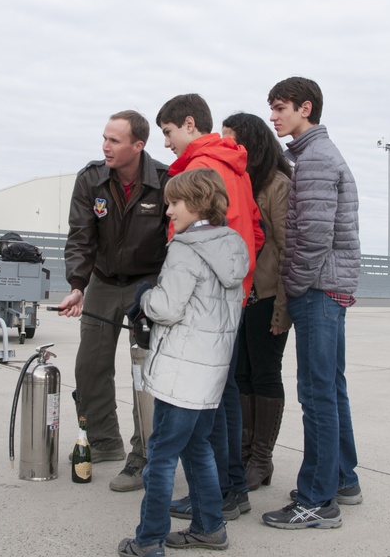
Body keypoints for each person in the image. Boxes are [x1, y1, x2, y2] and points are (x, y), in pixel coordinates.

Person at [118, 168, 248, 557]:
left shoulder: (185, 248)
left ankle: (149, 539)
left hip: (181, 373)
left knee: (159, 456)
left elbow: (167, 308)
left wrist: (144, 297)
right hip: (209, 375)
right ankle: (209, 527)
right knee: (198, 448)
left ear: (197, 202)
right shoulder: (232, 245)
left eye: (174, 203)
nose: (168, 211)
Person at [156, 93, 264, 520]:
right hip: (229, 298)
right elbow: (253, 230)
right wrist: (237, 282)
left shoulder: (201, 168)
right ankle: (230, 488)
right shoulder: (235, 166)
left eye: (167, 133)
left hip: (201, 304)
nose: (165, 143)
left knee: (208, 402)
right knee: (225, 393)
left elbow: (188, 242)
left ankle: (219, 493)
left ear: (188, 123)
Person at [261, 76, 362, 530]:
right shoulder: (313, 156)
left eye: (280, 107)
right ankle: (342, 478)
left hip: (318, 289)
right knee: (331, 389)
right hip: (327, 288)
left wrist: (295, 285)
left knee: (317, 394)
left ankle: (318, 499)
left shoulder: (317, 159)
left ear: (306, 109)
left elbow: (315, 237)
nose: (273, 116)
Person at [58, 110, 170, 492]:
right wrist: (77, 284)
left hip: (148, 282)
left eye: (115, 140)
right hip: (103, 281)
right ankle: (105, 442)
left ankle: (145, 453)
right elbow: (80, 235)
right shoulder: (91, 179)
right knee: (90, 366)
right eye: (104, 138)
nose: (105, 146)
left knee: (145, 372)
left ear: (138, 146)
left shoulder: (166, 181)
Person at [221, 112, 293, 491]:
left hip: (267, 297)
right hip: (242, 298)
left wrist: (282, 308)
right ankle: (246, 453)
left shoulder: (277, 184)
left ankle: (261, 459)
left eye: (231, 139)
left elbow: (286, 250)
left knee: (265, 373)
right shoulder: (240, 182)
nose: (225, 145)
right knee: (240, 374)